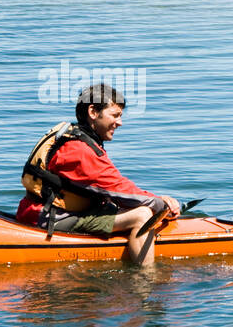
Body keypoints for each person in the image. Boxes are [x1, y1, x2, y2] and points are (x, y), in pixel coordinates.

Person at [18, 84, 180, 265]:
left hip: (37, 210)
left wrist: (155, 199)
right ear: (93, 112)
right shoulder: (80, 150)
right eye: (115, 115)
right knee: (142, 215)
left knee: (132, 205)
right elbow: (120, 190)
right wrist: (162, 207)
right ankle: (144, 283)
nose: (120, 123)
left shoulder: (70, 135)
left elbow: (113, 188)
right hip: (51, 218)